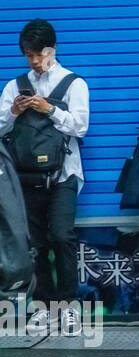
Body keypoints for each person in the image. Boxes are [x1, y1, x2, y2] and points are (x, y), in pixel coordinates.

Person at [0, 20, 90, 335]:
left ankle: (68, 307)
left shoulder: (74, 83)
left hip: (64, 175)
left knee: (63, 237)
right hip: (26, 177)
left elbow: (80, 127)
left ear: (52, 50)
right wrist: (13, 111)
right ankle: (43, 307)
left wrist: (48, 108)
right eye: (29, 55)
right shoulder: (14, 86)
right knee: (35, 243)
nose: (34, 61)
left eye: (39, 54)